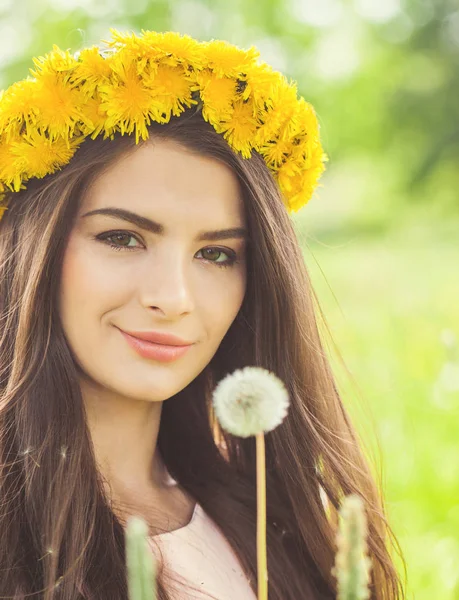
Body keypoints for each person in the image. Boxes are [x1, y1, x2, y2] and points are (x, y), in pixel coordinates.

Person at [0, 30, 407, 599]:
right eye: (122, 238)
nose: (174, 297)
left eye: (217, 254)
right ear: (32, 246)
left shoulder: (281, 524)